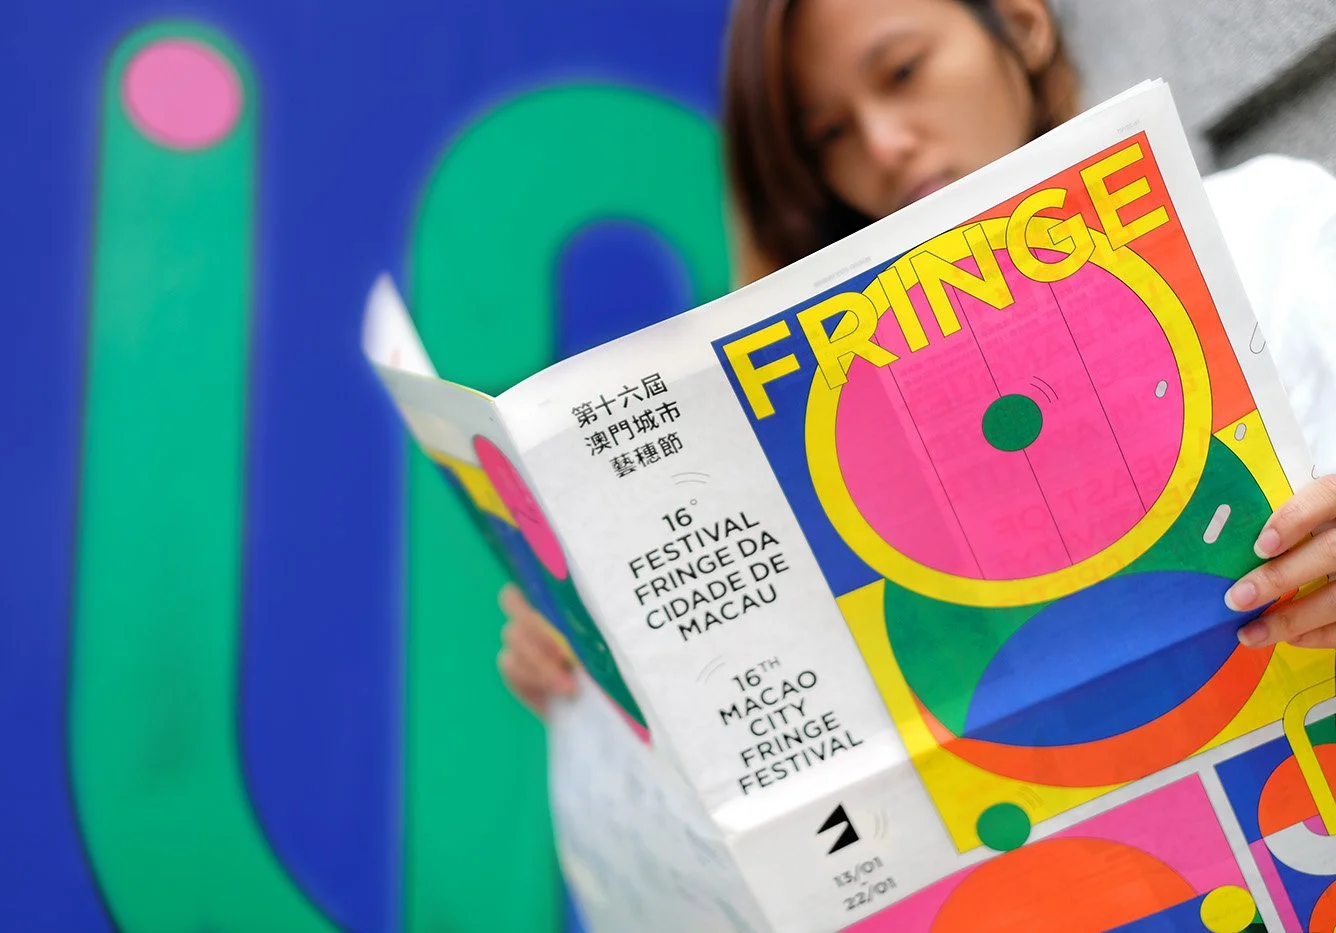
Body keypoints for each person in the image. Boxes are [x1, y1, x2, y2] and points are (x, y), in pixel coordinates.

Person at [498, 0, 1336, 717]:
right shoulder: (834, 434)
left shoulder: (1263, 228)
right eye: (828, 135)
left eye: (902, 71)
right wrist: (607, 677)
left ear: (1021, 23)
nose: (883, 144)